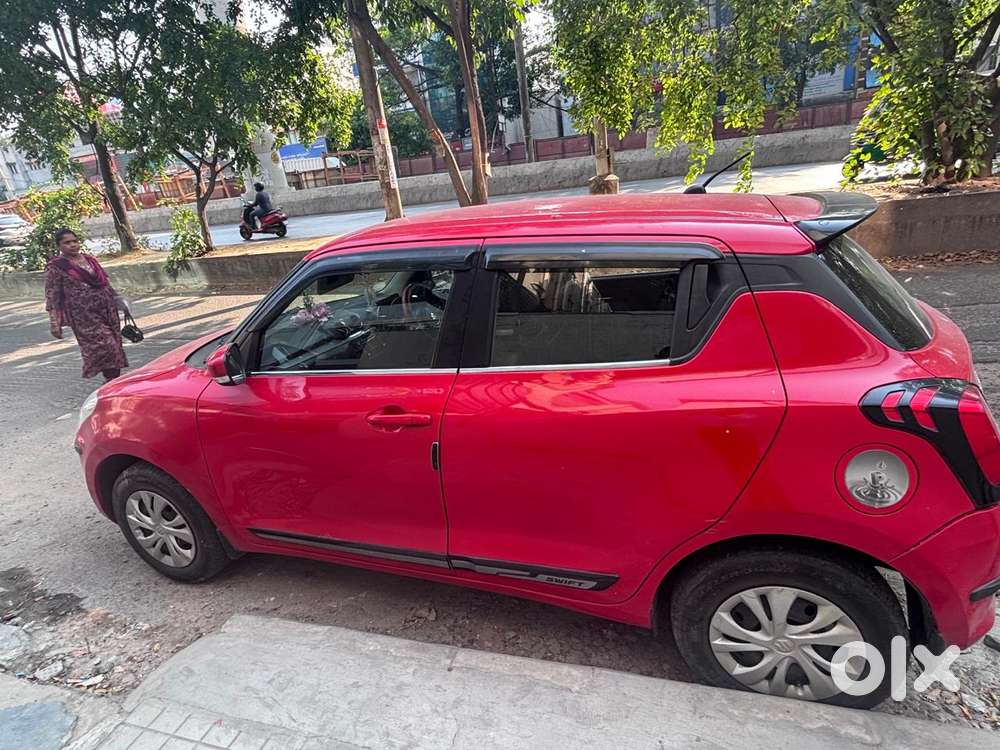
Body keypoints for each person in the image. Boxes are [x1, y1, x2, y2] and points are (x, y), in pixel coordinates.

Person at [45, 228, 129, 382]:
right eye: (67, 243)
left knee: (115, 344)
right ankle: (110, 381)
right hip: (84, 316)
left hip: (107, 309)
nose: (72, 245)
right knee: (105, 346)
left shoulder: (90, 260)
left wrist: (118, 299)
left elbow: (105, 282)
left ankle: (112, 379)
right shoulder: (56, 266)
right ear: (59, 246)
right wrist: (54, 322)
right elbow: (52, 295)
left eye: (75, 241)